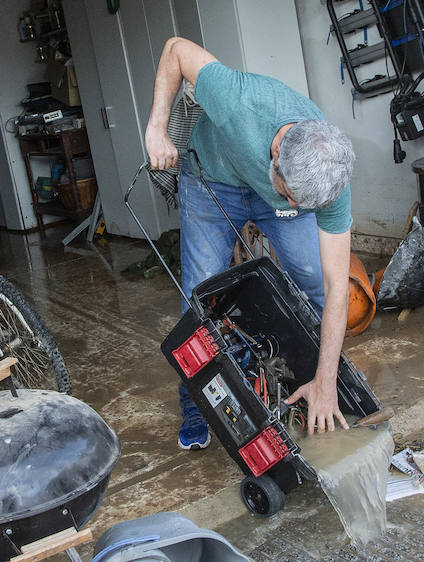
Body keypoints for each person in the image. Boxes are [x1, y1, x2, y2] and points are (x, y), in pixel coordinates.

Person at [145, 36, 356, 449]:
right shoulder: (241, 100)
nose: (296, 205)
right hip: (212, 180)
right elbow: (174, 48)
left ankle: (313, 379)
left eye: (304, 203)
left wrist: (326, 382)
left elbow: (334, 288)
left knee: (312, 279)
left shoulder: (328, 180)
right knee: (199, 291)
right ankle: (196, 400)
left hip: (267, 188)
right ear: (277, 152)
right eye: (292, 196)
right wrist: (156, 127)